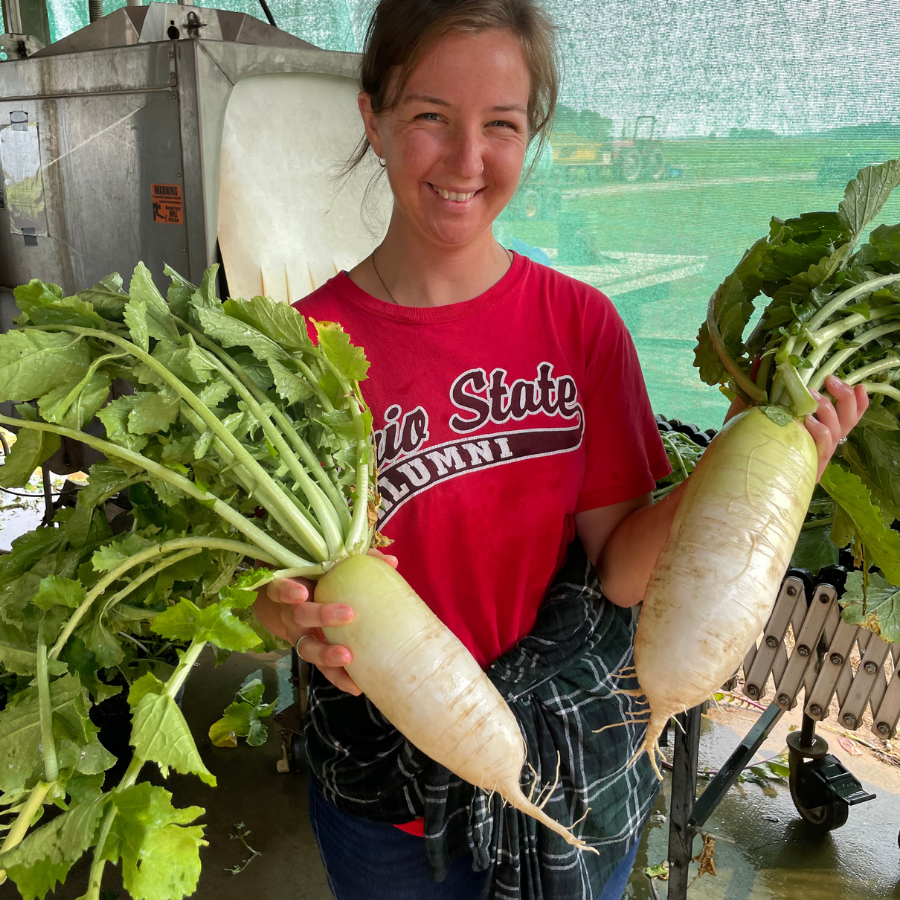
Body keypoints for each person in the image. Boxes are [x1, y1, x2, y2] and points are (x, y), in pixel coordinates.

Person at [252, 1, 868, 897]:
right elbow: (264, 592)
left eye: (500, 125)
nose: (468, 162)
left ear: (530, 133)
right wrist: (281, 617)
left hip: (578, 775)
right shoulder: (299, 350)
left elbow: (620, 572)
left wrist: (757, 465)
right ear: (372, 118)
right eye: (431, 117)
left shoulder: (580, 325)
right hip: (390, 809)